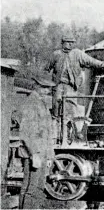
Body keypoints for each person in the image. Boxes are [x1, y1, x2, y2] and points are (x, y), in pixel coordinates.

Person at [18, 75, 56, 209]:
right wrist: (34, 154)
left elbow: (47, 131)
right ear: (37, 86)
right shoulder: (31, 103)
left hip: (43, 152)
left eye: (49, 88)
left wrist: (50, 155)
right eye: (45, 88)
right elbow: (26, 132)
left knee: (38, 187)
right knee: (31, 188)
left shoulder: (41, 102)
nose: (48, 91)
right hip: (35, 152)